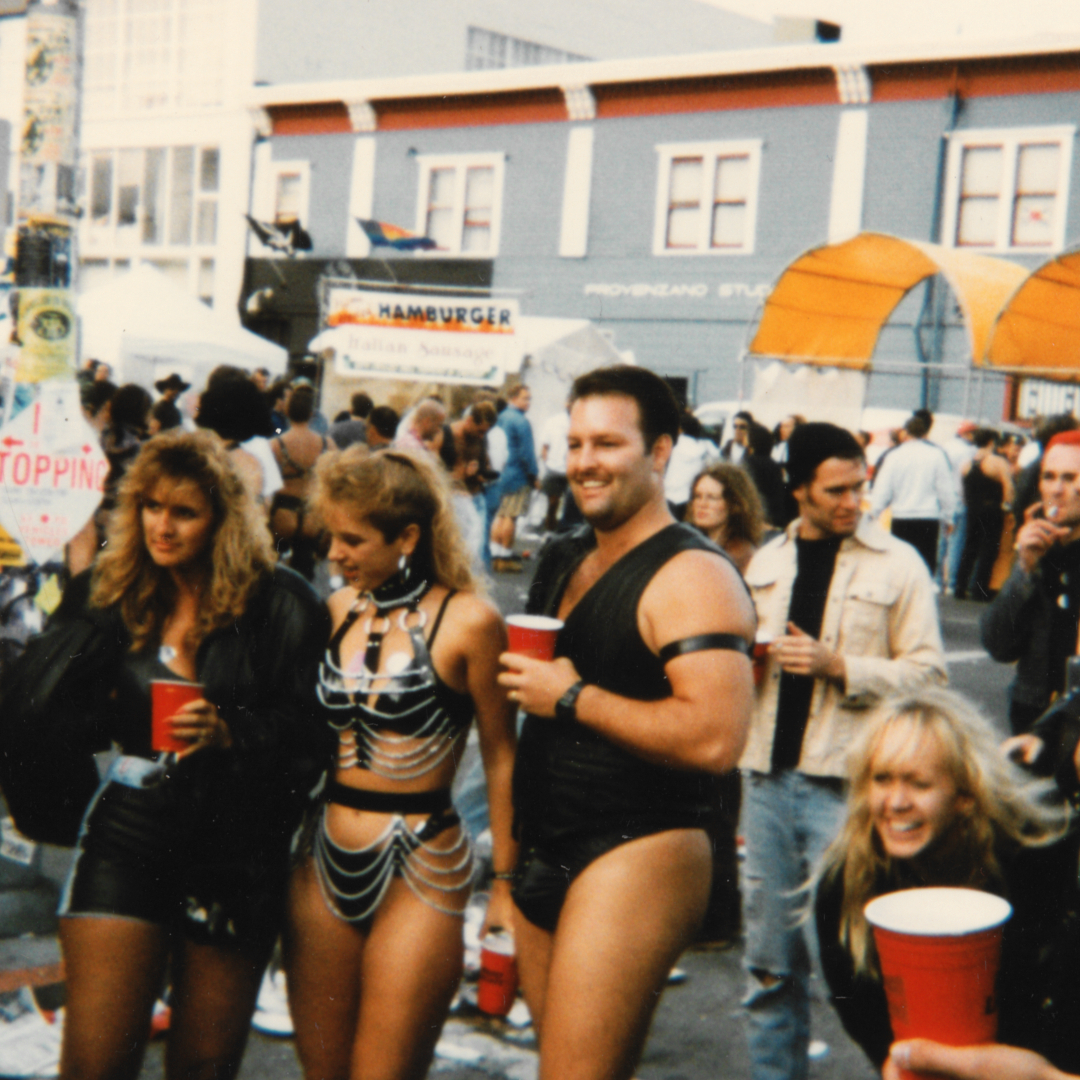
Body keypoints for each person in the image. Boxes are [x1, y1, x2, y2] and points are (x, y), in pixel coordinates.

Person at [0, 429, 329, 1080]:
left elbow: (314, 738)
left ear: (223, 519)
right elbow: (39, 704)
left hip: (234, 852)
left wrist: (233, 733)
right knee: (94, 1062)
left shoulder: (282, 603)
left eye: (184, 511)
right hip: (131, 830)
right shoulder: (114, 589)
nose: (163, 526)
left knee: (203, 1066)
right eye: (151, 506)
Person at [499, 365, 755, 1080]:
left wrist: (573, 697)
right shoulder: (565, 552)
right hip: (545, 840)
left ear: (662, 452)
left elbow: (715, 739)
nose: (584, 462)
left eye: (607, 443)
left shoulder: (693, 576)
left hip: (640, 845)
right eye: (575, 443)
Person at [284, 446, 517, 1080]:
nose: (334, 553)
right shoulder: (333, 613)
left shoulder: (471, 621)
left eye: (352, 540)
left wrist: (504, 885)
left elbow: (501, 754)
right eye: (332, 536)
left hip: (423, 863)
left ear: (407, 537)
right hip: (322, 860)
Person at [740, 421, 946, 1080]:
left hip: (850, 790)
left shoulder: (897, 563)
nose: (853, 501)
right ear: (797, 489)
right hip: (767, 783)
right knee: (770, 967)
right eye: (836, 490)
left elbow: (930, 676)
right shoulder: (766, 564)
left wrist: (842, 668)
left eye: (860, 485)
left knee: (864, 972)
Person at [815, 687, 1079, 1076]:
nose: (896, 802)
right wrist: (895, 1060)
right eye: (882, 779)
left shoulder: (1040, 858)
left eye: (918, 784)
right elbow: (853, 999)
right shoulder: (847, 879)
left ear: (966, 795)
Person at [982, 430, 1080, 734]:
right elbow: (999, 646)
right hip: (1033, 720)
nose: (1057, 489)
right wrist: (1024, 567)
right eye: (1049, 477)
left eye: (1070, 478)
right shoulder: (1037, 549)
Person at [870, 413, 956, 575]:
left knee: (901, 563)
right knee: (925, 565)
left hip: (901, 517)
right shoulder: (936, 455)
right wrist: (948, 517)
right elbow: (945, 490)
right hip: (928, 517)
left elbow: (883, 489)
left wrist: (874, 512)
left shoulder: (894, 456)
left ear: (905, 433)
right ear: (925, 434)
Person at [269, 385, 336, 579]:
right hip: (311, 517)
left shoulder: (276, 444)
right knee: (305, 574)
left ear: (288, 411)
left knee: (273, 571)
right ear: (311, 413)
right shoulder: (327, 444)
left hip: (282, 513)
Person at [955, 429, 1015, 602]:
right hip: (992, 508)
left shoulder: (966, 463)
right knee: (989, 549)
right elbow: (1008, 486)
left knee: (970, 546)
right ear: (991, 442)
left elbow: (962, 489)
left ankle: (960, 585)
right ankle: (979, 589)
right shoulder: (997, 462)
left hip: (972, 508)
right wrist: (1007, 506)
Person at [488, 384, 538, 573]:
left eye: (529, 398)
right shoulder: (522, 421)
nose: (528, 403)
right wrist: (534, 475)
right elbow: (527, 453)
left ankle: (495, 554)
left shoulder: (500, 417)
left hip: (500, 473)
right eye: (525, 398)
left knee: (500, 515)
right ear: (514, 398)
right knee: (511, 516)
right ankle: (505, 556)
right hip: (517, 474)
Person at [687, 462, 765, 575]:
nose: (702, 504)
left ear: (734, 505)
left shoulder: (739, 554)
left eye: (712, 498)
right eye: (697, 496)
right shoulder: (694, 542)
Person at [664, 412, 720, 520]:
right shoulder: (707, 448)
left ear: (680, 430)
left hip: (668, 498)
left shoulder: (672, 447)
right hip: (691, 499)